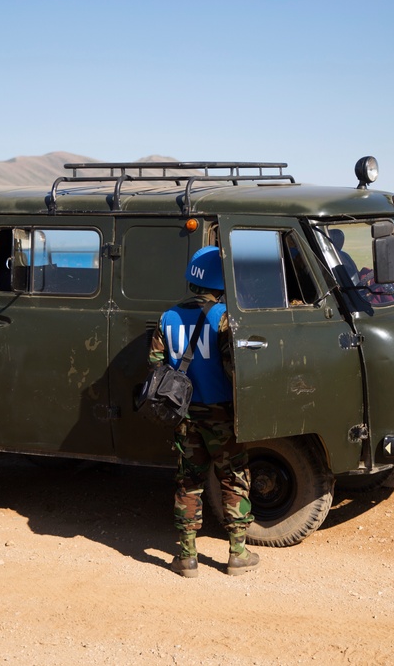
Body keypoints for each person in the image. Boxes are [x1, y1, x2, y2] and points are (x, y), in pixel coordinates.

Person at [148, 245, 259, 577]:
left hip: (185, 417)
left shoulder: (168, 317)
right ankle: (237, 553)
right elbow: (234, 367)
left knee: (189, 483)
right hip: (222, 416)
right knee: (233, 479)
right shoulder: (224, 317)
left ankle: (187, 557)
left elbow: (155, 366)